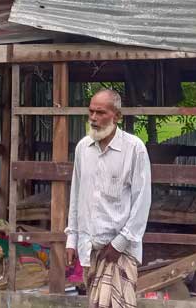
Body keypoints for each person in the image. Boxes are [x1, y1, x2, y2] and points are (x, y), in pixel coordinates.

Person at [65, 89, 152, 308]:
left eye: (100, 113)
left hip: (120, 250)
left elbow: (142, 202)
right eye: (91, 112)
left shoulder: (134, 149)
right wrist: (71, 240)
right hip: (90, 248)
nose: (93, 118)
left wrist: (119, 244)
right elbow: (76, 196)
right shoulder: (83, 149)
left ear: (117, 116)